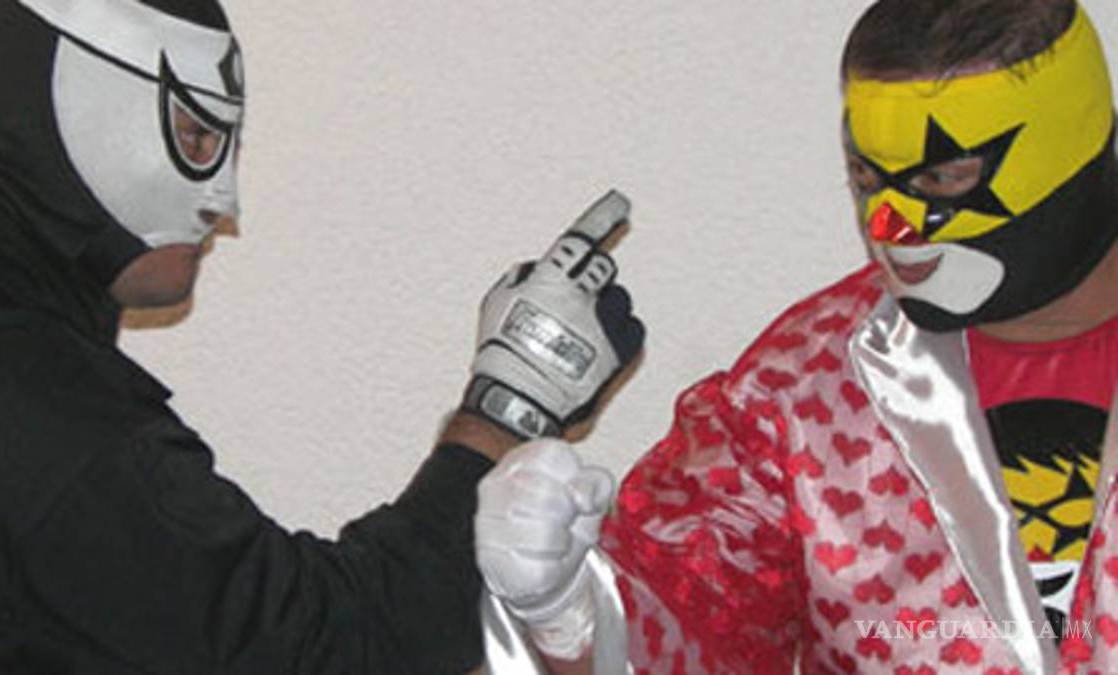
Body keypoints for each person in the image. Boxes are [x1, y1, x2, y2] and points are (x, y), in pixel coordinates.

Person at [0, 0, 645, 673]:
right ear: (65, 104)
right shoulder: (25, 403)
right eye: (197, 133)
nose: (223, 202)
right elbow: (323, 647)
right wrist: (507, 410)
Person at [477, 0, 1118, 672]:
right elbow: (690, 614)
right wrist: (571, 611)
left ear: (1072, 140)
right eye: (867, 180)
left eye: (940, 177)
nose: (888, 227)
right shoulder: (805, 385)